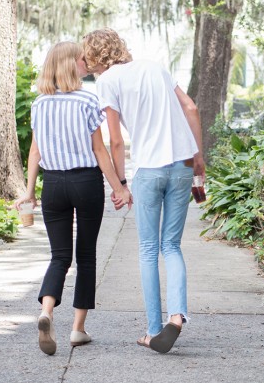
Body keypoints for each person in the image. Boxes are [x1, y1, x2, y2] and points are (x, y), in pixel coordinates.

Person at [83, 28, 205, 354]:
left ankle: (153, 331)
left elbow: (117, 140)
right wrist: (199, 161)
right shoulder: (155, 66)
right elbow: (191, 108)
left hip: (149, 170)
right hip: (182, 166)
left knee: (149, 250)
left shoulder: (107, 81)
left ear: (96, 57)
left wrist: (121, 184)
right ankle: (177, 317)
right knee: (172, 247)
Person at [15, 41, 132, 356]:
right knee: (86, 257)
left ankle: (47, 311)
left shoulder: (40, 103)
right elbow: (99, 150)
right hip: (85, 181)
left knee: (59, 257)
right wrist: (119, 187)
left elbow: (35, 152)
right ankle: (77, 330)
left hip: (52, 185)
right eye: (81, 58)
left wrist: (28, 192)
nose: (86, 61)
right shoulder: (87, 100)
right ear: (70, 64)